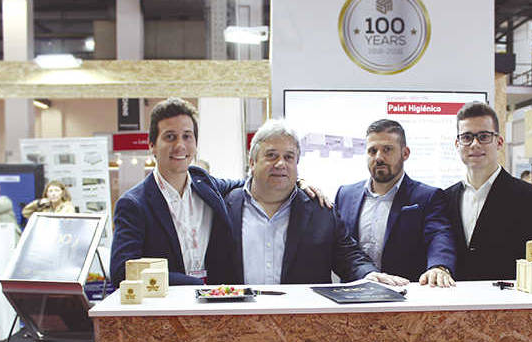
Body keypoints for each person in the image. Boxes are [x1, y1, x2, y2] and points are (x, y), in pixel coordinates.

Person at [111, 98, 328, 288]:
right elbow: (122, 271)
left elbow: (255, 182)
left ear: (195, 142)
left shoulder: (205, 184)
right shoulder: (134, 204)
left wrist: (297, 182)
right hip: (164, 314)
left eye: (187, 136)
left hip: (213, 308)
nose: (180, 145)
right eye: (170, 137)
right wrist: (192, 284)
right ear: (152, 145)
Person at [225, 120, 408, 286]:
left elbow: (348, 256)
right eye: (271, 155)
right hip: (236, 317)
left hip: (303, 319)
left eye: (289, 157)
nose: (281, 164)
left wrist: (368, 274)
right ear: (252, 162)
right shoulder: (225, 207)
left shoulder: (321, 210)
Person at [335, 119, 456, 287]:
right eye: (372, 151)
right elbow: (339, 248)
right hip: (353, 297)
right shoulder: (345, 195)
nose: (378, 157)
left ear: (405, 153)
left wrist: (439, 266)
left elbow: (439, 236)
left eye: (387, 150)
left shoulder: (427, 197)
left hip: (405, 298)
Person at [445, 102, 532, 281]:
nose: (474, 144)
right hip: (456, 302)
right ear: (457, 144)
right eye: (467, 137)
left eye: (484, 136)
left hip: (509, 303)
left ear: (499, 142)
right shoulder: (446, 198)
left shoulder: (528, 198)